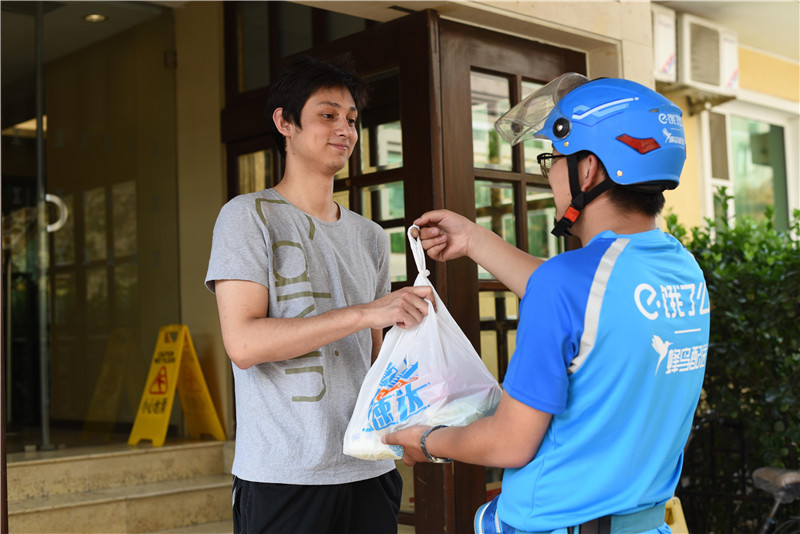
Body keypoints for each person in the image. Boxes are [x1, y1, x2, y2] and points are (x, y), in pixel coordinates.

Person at [385, 73, 710, 534]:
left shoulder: (567, 284)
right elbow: (589, 305)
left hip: (557, 523)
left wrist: (427, 439)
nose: (549, 176)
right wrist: (475, 239)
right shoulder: (682, 270)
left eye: (553, 160)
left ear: (589, 170)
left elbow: (509, 444)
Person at [205, 54, 433, 534]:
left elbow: (376, 358)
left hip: (369, 467)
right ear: (284, 123)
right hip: (284, 475)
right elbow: (244, 345)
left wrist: (406, 422)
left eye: (351, 119)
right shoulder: (247, 216)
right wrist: (365, 313)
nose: (344, 130)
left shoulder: (370, 235)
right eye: (327, 115)